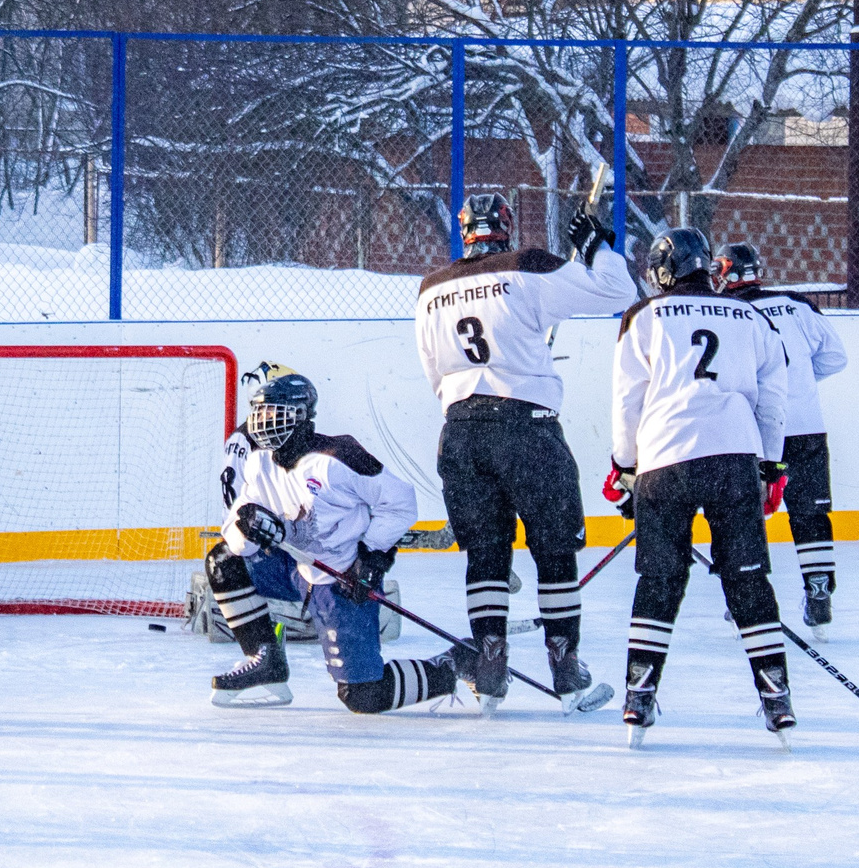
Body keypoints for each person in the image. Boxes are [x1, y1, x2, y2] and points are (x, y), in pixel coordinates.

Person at [413, 188, 633, 715]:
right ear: (507, 226)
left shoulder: (429, 289)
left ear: (464, 230)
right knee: (554, 553)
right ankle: (566, 672)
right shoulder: (528, 265)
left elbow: (434, 372)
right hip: (526, 428)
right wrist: (597, 245)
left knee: (485, 556)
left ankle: (489, 669)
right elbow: (617, 292)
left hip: (461, 431)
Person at [607, 227, 794, 745]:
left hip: (664, 461)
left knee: (659, 581)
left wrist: (624, 466)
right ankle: (776, 699)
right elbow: (773, 398)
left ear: (665, 270)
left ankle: (638, 697)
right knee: (748, 581)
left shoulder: (643, 317)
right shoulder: (750, 317)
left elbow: (628, 400)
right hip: (734, 459)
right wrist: (771, 466)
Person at [204, 369, 472, 714]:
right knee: (224, 560)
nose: (263, 420)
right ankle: (266, 660)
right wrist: (247, 527)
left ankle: (457, 662)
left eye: (274, 411)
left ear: (302, 417)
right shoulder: (259, 465)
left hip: (342, 581)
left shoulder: (336, 458)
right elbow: (236, 535)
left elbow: (400, 502)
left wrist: (371, 557)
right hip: (295, 571)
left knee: (363, 696)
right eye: (259, 412)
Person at [713, 241, 848, 628]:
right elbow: (836, 357)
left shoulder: (730, 312)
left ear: (727, 272)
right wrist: (798, 385)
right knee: (811, 512)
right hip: (806, 425)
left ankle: (744, 589)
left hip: (754, 431)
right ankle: (818, 585)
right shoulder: (798, 304)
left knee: (745, 511)